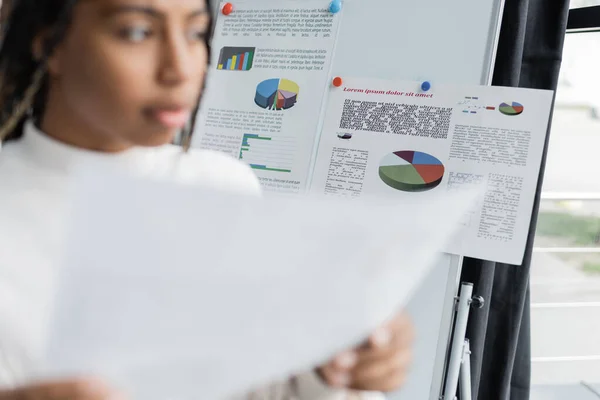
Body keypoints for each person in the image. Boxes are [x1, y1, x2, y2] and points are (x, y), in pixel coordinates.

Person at [0, 0, 414, 399]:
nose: (180, 68)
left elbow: (260, 386)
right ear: (50, 44)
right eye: (137, 31)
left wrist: (336, 363)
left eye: (195, 32)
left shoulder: (220, 186)